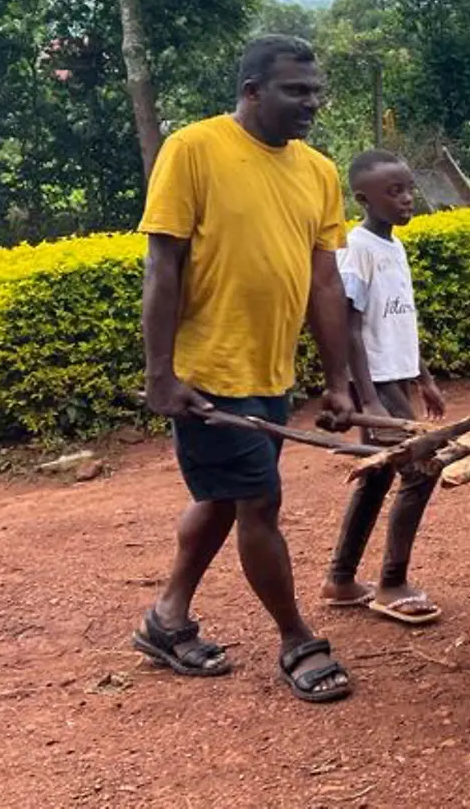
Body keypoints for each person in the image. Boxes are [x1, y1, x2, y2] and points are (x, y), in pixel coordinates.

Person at [131, 35, 359, 704]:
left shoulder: (318, 170)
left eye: (316, 92)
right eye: (296, 91)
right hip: (207, 374)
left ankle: (167, 619)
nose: (311, 103)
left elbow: (324, 282)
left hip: (270, 372)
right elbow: (163, 265)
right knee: (259, 501)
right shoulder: (194, 149)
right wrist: (160, 374)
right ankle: (297, 639)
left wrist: (338, 382)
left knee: (224, 498)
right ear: (252, 91)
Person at [320, 149, 449, 625]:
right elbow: (348, 327)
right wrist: (370, 399)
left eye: (408, 189)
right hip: (373, 384)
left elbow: (401, 323)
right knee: (420, 470)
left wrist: (424, 379)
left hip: (394, 379)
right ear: (363, 199)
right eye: (394, 192)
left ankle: (340, 579)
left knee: (377, 475)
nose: (406, 198)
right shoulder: (357, 249)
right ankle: (393, 582)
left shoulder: (393, 247)